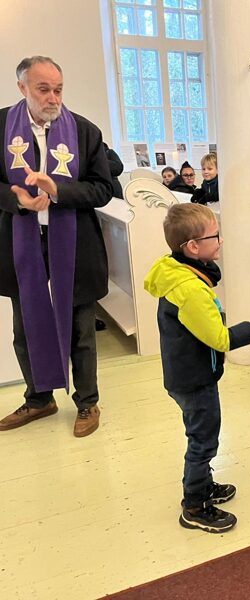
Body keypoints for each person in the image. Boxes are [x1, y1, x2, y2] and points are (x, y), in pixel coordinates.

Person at [144, 203, 250, 532]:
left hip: (186, 373)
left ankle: (203, 485)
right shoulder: (189, 290)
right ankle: (195, 504)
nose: (221, 240)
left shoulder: (176, 270)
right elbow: (220, 338)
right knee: (203, 440)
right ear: (193, 247)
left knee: (202, 434)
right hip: (194, 379)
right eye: (215, 235)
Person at [0, 56, 113, 437]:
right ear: (22, 88)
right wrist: (17, 198)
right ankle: (39, 399)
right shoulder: (1, 126)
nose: (53, 98)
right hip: (20, 242)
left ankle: (87, 402)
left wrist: (59, 191)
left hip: (75, 244)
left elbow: (103, 188)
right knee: (25, 328)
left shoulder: (84, 131)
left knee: (81, 329)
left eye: (58, 89)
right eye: (43, 89)